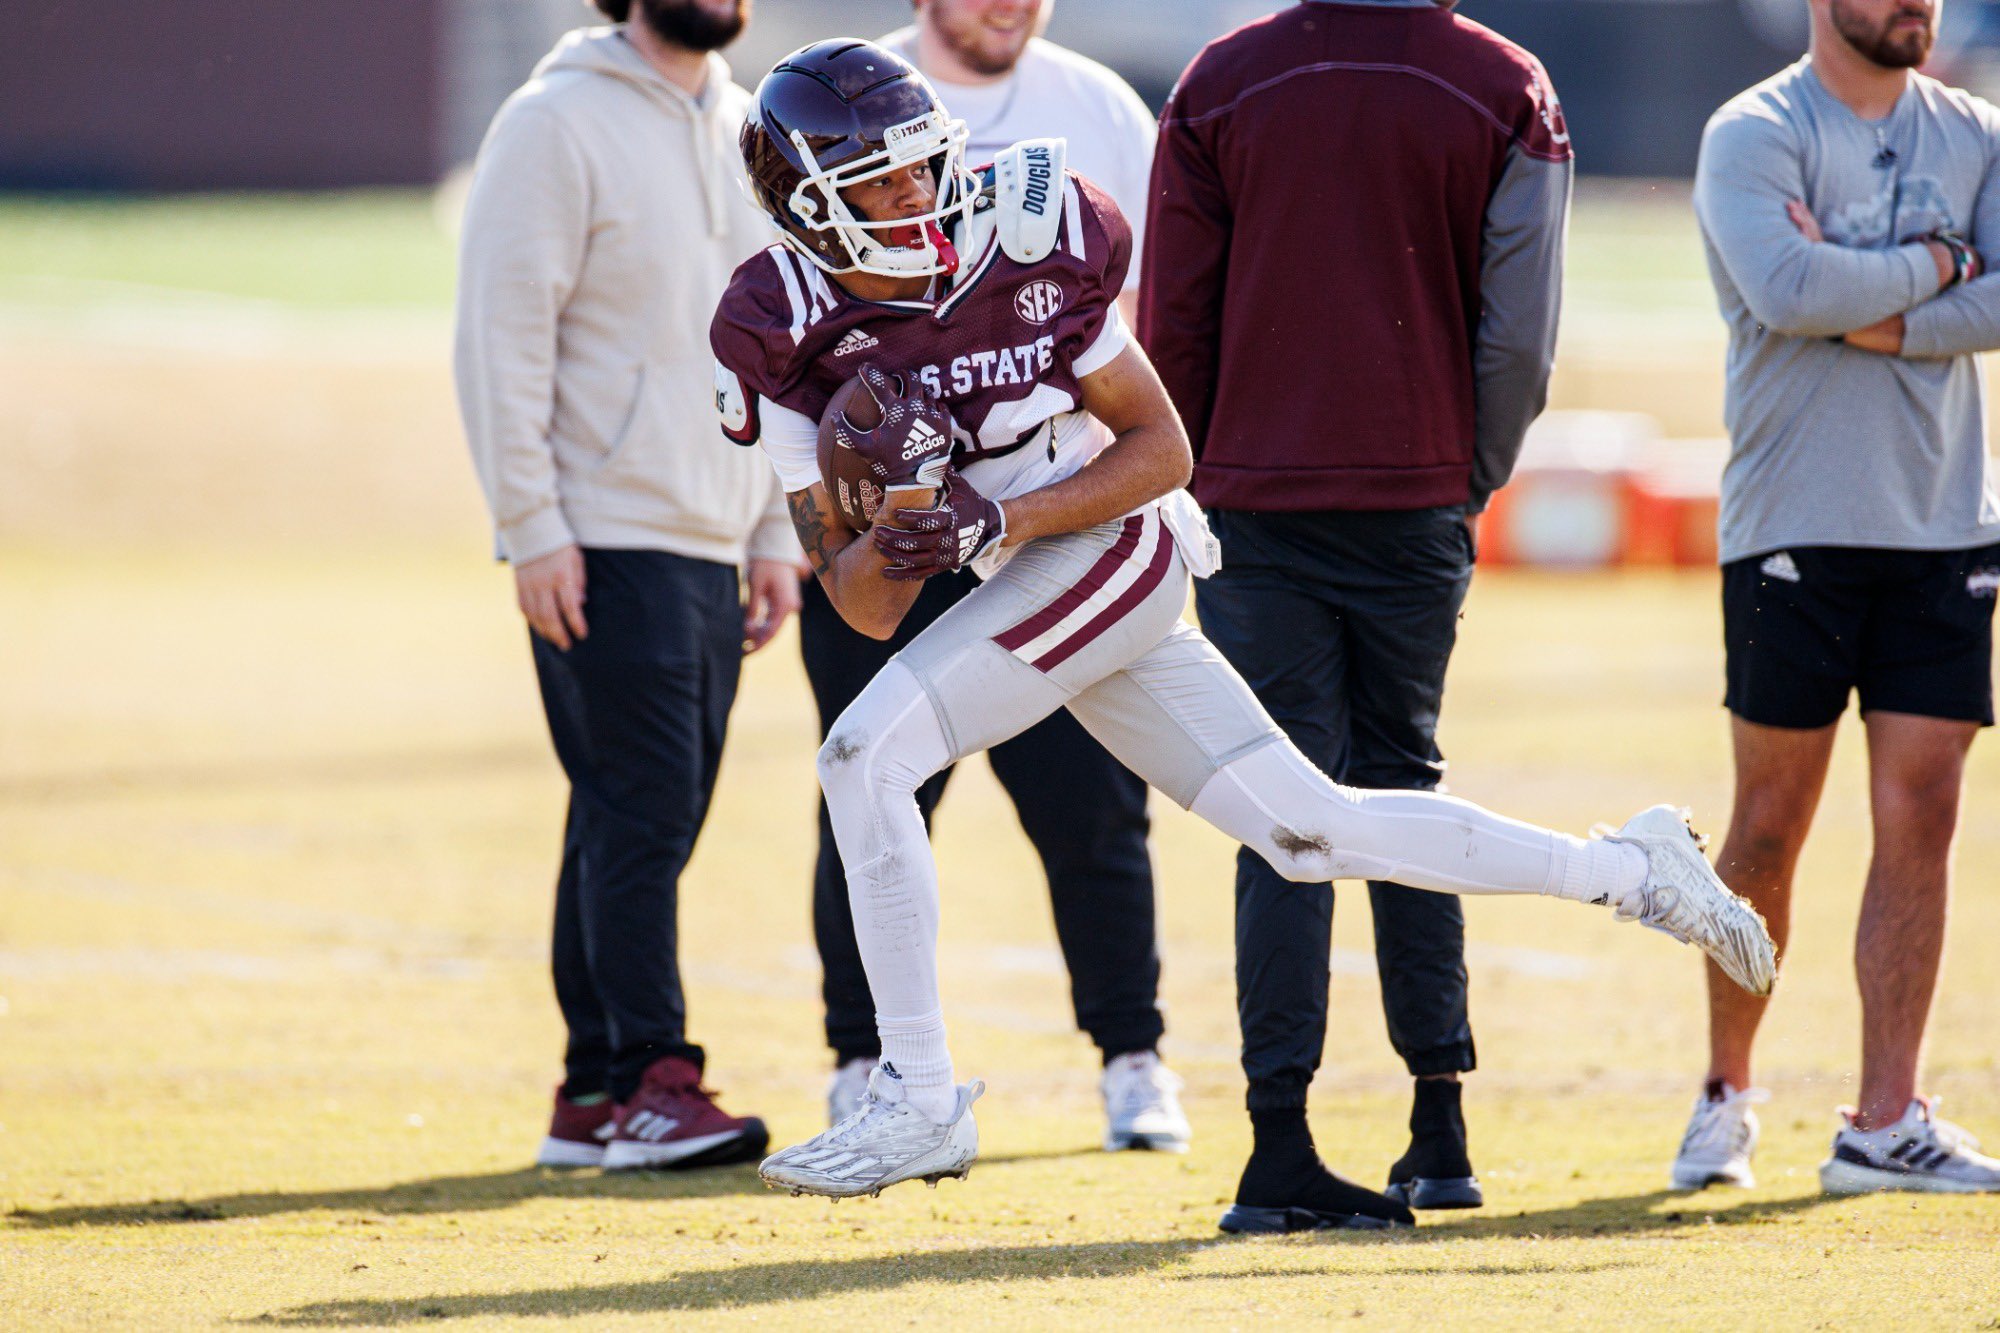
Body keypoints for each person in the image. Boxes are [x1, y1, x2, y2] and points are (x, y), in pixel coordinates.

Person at [710, 39, 1773, 1226]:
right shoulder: (774, 324)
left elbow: (1163, 451)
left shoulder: (1034, 232)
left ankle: (914, 1092)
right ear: (813, 208)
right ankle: (1634, 870)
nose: (921, 198)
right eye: (885, 184)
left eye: (926, 167)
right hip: (1017, 562)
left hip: (1112, 542)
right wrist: (905, 510)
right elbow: (861, 605)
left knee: (865, 755)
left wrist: (988, 512)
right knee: (1312, 830)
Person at [1140, 0, 1572, 1217]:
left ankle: (1277, 1143)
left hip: (1249, 502)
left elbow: (1173, 317)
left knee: (1280, 808)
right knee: (1402, 782)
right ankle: (1440, 1130)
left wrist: (1185, 482)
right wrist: (1464, 471)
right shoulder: (1502, 81)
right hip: (1415, 491)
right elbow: (1520, 332)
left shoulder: (1221, 79)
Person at [799, 0, 1187, 1153]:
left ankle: (1132, 1054)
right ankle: (863, 1060)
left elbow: (1144, 314)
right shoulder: (832, 105)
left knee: (1090, 802)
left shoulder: (1095, 106)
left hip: (1042, 519)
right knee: (868, 787)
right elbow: (784, 334)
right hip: (884, 518)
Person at [453, 0, 800, 1172]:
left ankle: (592, 1090)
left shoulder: (752, 128)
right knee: (643, 811)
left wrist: (771, 528)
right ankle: (657, 1077)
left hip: (714, 532)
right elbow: (501, 336)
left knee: (630, 811)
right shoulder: (552, 122)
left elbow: (771, 350)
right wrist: (532, 525)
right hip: (601, 531)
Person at [1676, 0, 2000, 1196]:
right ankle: (1724, 1095)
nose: (1915, 3)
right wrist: (1943, 265)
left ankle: (1883, 1122)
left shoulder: (1975, 129)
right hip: (1791, 525)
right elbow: (1783, 291)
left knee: (1923, 812)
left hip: (1945, 524)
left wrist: (1872, 312)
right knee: (1767, 824)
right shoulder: (1750, 131)